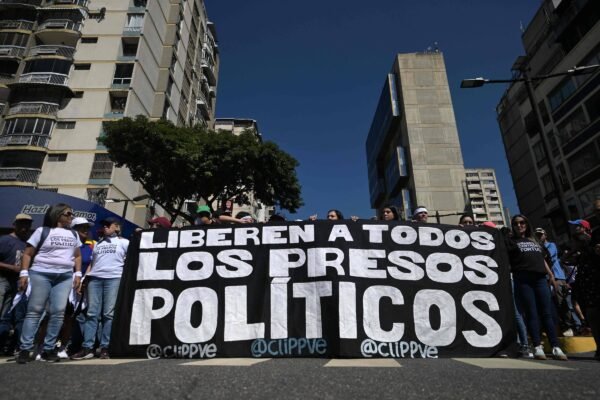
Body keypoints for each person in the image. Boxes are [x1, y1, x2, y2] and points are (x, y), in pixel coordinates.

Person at [17, 204, 82, 363]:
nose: (71, 216)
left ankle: (48, 348)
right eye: (68, 213)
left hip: (64, 276)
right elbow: (28, 253)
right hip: (41, 273)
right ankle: (25, 349)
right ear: (57, 214)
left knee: (58, 312)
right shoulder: (42, 231)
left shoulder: (73, 234)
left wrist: (78, 273)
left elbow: (77, 255)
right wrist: (24, 272)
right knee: (35, 311)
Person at [506, 214, 567, 361]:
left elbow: (542, 259)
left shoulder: (535, 241)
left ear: (527, 224)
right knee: (531, 313)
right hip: (523, 279)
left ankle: (555, 346)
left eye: (522, 222)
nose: (519, 225)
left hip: (540, 279)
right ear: (512, 226)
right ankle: (537, 346)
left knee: (547, 313)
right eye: (515, 223)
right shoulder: (511, 241)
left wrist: (551, 275)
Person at [71, 217, 129, 360]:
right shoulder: (98, 244)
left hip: (114, 278)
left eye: (108, 225)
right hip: (95, 279)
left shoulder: (124, 242)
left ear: (117, 227)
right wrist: (84, 278)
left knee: (108, 314)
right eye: (103, 225)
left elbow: (130, 261)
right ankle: (87, 347)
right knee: (91, 313)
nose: (105, 227)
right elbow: (93, 263)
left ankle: (105, 347)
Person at [567, 219, 600, 361]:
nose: (575, 229)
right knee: (593, 318)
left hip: (596, 287)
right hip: (587, 291)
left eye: (577, 227)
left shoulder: (594, 246)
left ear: (586, 229)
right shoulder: (580, 253)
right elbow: (565, 259)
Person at [0, 213, 33, 353]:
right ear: (14, 225)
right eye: (21, 223)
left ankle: (13, 346)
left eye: (27, 224)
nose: (24, 227)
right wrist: (11, 267)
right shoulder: (4, 240)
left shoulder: (30, 243)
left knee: (15, 316)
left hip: (20, 283)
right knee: (2, 314)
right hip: (3, 279)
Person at [535, 227, 573, 336]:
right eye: (537, 235)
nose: (539, 237)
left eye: (540, 235)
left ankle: (569, 326)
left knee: (561, 302)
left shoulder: (551, 245)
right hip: (545, 278)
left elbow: (548, 257)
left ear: (545, 235)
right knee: (550, 304)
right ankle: (558, 327)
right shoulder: (537, 247)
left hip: (557, 277)